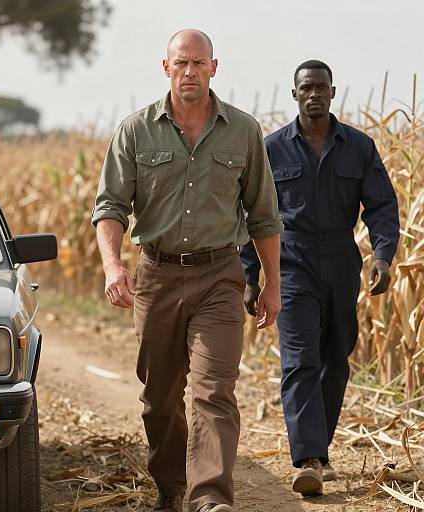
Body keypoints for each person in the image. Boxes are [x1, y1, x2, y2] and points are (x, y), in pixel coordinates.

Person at [92, 29, 283, 512]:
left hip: (219, 276)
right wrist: (114, 265)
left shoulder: (243, 131)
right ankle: (171, 486)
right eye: (182, 63)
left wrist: (273, 286)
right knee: (160, 398)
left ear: (215, 68)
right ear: (166, 68)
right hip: (155, 277)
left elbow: (263, 215)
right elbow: (111, 206)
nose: (190, 71)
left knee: (214, 390)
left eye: (200, 63)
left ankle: (210, 498)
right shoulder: (136, 131)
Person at [240, 60, 399, 497]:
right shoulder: (271, 149)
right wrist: (251, 275)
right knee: (299, 358)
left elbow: (382, 206)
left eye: (321, 87)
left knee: (335, 357)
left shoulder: (359, 148)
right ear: (294, 95)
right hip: (289, 264)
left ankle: (319, 446)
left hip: (342, 263)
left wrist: (382, 257)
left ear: (333, 92)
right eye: (305, 87)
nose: (314, 94)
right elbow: (249, 214)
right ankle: (308, 457)